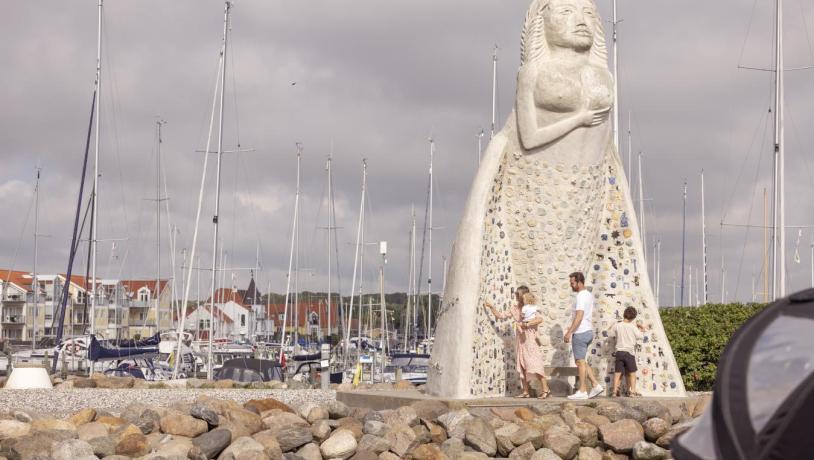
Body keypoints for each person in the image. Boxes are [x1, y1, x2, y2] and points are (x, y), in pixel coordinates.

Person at [485, 286, 552, 399]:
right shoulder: (515, 308)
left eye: (518, 295)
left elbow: (540, 319)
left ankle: (546, 389)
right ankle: (525, 391)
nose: (516, 296)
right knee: (521, 364)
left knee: (535, 363)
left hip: (530, 338)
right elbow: (500, 316)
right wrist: (491, 307)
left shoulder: (531, 308)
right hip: (520, 340)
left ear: (523, 296)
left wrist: (526, 324)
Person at [564, 272, 604, 399]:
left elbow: (579, 316)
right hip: (588, 331)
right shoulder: (588, 295)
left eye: (572, 283)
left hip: (580, 332)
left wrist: (569, 332)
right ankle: (596, 385)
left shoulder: (581, 296)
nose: (571, 285)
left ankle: (582, 390)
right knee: (583, 361)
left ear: (579, 282)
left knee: (580, 362)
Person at [608, 306, 646, 397]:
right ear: (633, 318)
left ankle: (614, 391)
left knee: (618, 372)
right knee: (632, 372)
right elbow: (641, 336)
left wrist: (611, 325)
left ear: (624, 314)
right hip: (629, 353)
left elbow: (610, 333)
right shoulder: (633, 327)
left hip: (619, 352)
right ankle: (632, 391)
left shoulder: (617, 325)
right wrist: (642, 328)